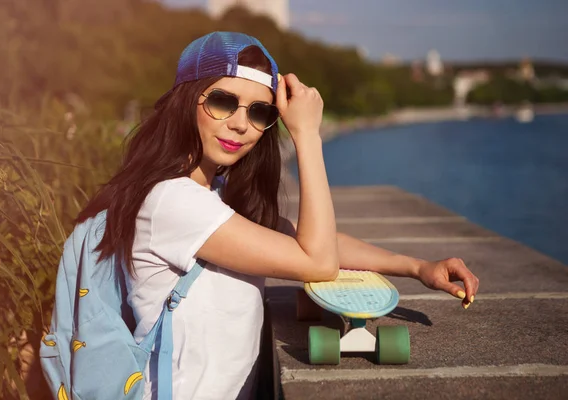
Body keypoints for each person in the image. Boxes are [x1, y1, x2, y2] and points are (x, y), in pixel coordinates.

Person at [74, 31, 479, 400]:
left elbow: (307, 241)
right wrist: (306, 136)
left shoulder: (212, 194)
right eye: (222, 102)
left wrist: (418, 267)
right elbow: (317, 261)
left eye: (260, 113)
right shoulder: (173, 201)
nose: (240, 125)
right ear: (186, 100)